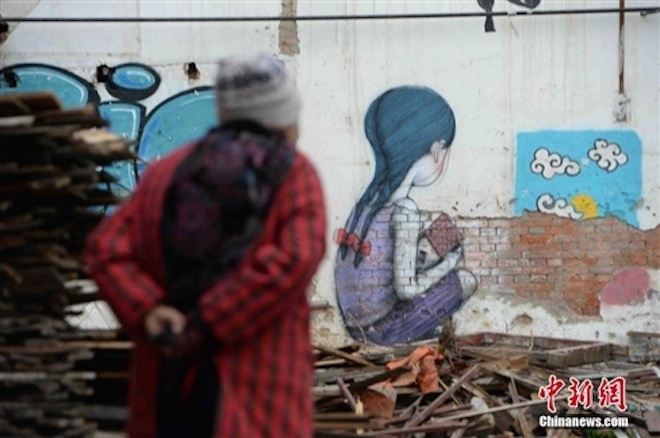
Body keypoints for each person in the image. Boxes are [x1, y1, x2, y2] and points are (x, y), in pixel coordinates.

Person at [86, 52, 327, 438]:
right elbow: (294, 257)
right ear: (283, 118)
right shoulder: (293, 174)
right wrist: (205, 322)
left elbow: (105, 248)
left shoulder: (166, 172)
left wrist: (150, 310)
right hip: (261, 399)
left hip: (166, 399)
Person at [335, 86, 476, 346]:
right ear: (437, 149)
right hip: (383, 330)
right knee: (465, 280)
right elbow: (406, 289)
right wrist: (449, 264)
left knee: (434, 243)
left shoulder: (365, 205)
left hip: (357, 326)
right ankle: (418, 335)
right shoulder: (405, 209)